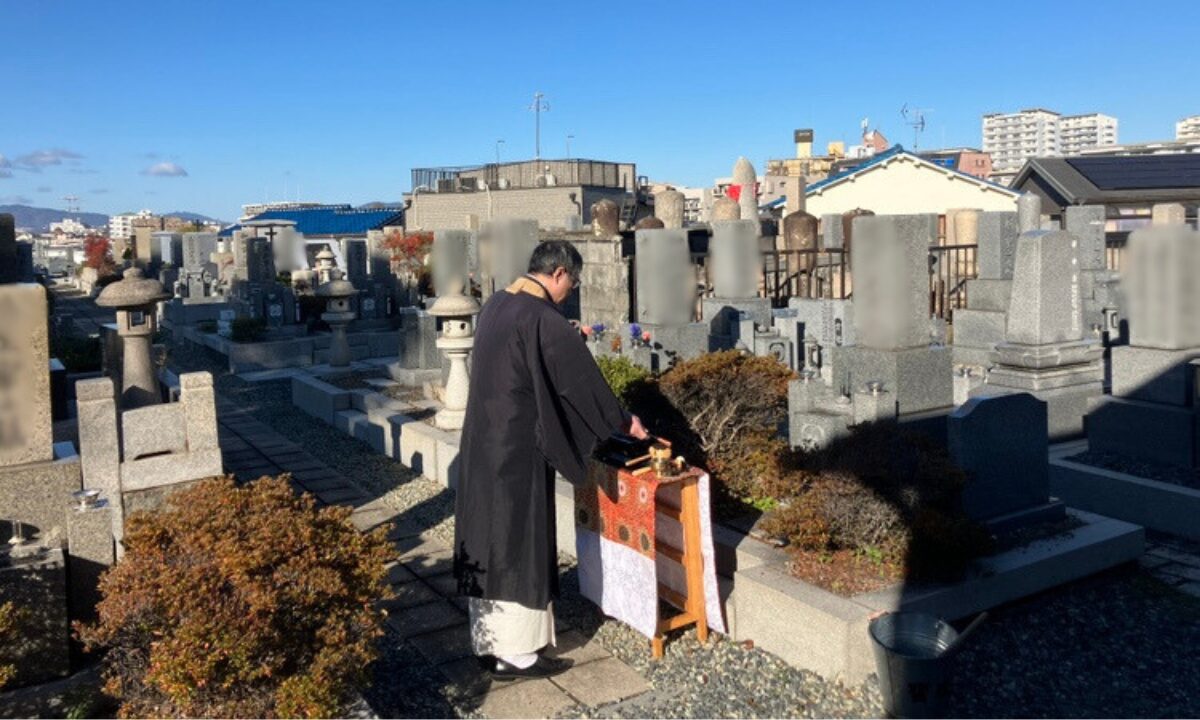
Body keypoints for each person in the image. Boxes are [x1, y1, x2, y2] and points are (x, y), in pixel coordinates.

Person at [454, 240, 648, 680]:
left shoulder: (498, 304)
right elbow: (581, 383)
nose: (571, 291)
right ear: (558, 273)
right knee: (517, 541)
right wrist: (622, 420)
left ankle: (487, 642)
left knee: (489, 533)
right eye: (573, 282)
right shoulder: (541, 318)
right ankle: (517, 652)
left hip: (484, 439)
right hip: (517, 448)